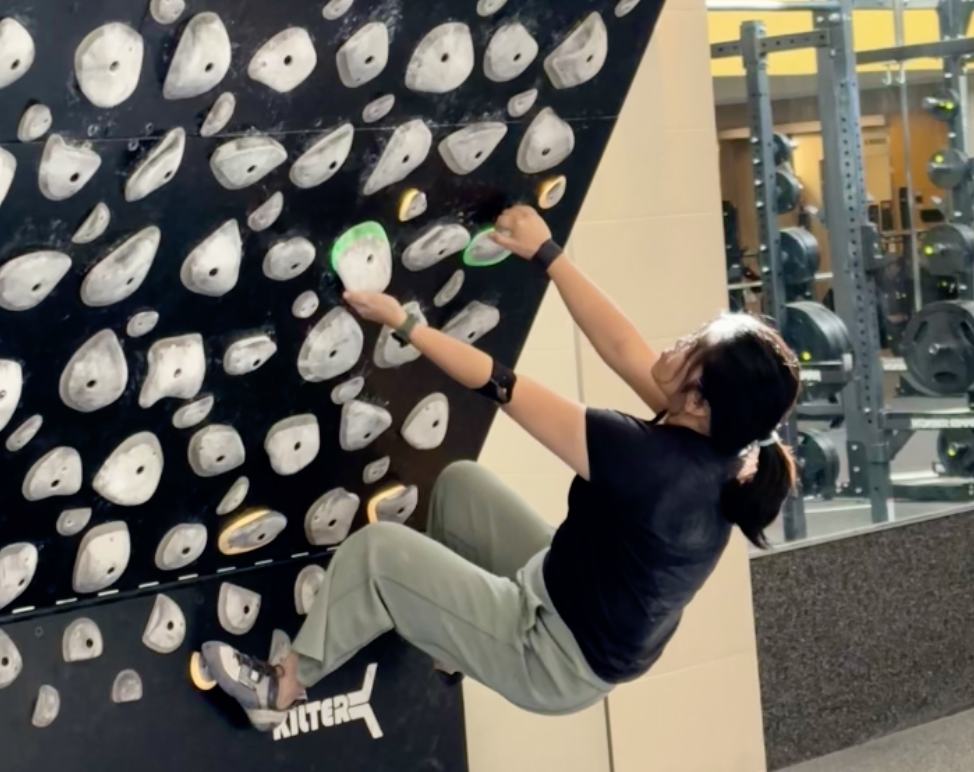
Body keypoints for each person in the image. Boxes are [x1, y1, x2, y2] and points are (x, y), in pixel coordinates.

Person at [200, 205, 801, 731]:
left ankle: (278, 686)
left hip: (548, 656)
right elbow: (621, 345)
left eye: (690, 348)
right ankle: (451, 636)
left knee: (377, 555)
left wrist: (404, 322)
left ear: (699, 400)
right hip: (567, 596)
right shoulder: (725, 444)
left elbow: (501, 384)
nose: (673, 345)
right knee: (462, 486)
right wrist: (547, 253)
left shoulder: (650, 462)